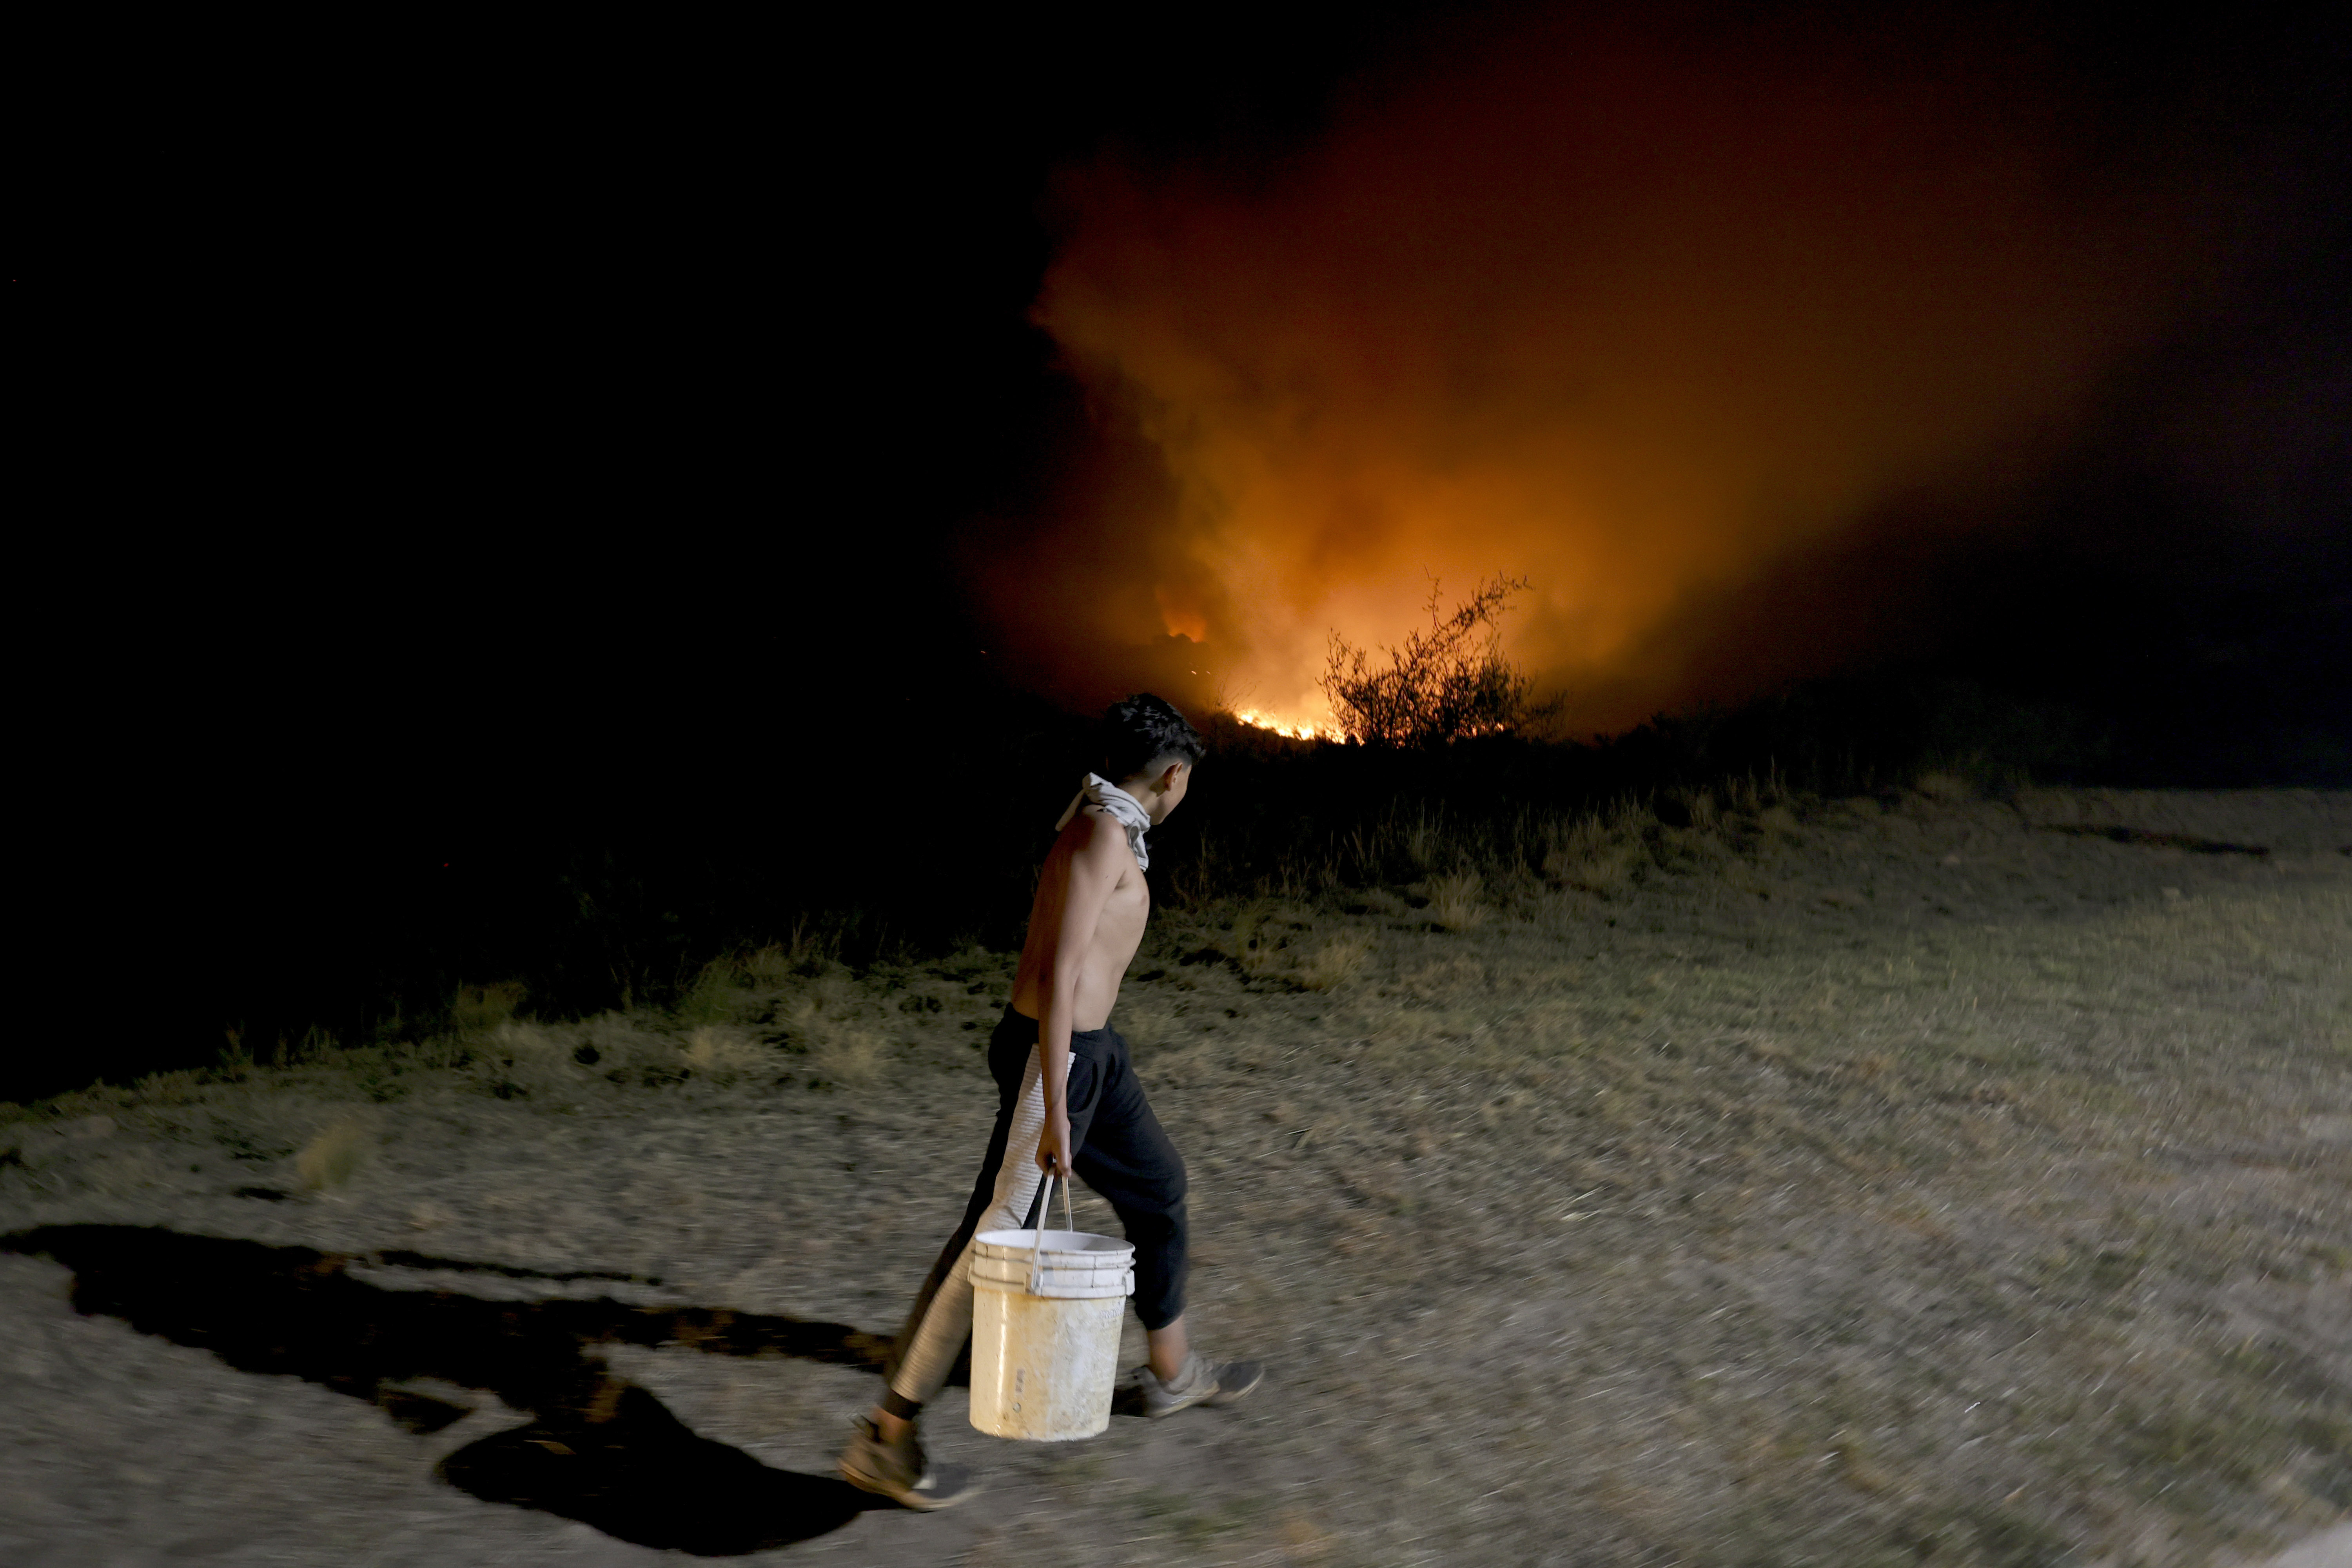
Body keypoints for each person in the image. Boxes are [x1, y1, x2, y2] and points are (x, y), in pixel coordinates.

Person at [838, 693, 1263, 1508]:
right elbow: (1064, 973)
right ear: (1174, 777)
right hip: (1058, 1062)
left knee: (1159, 1187)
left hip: (1090, 1057)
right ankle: (885, 1438)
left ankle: (1173, 1371)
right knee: (992, 1243)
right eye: (1188, 782)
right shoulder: (1105, 831)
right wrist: (1060, 1111)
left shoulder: (1101, 816)